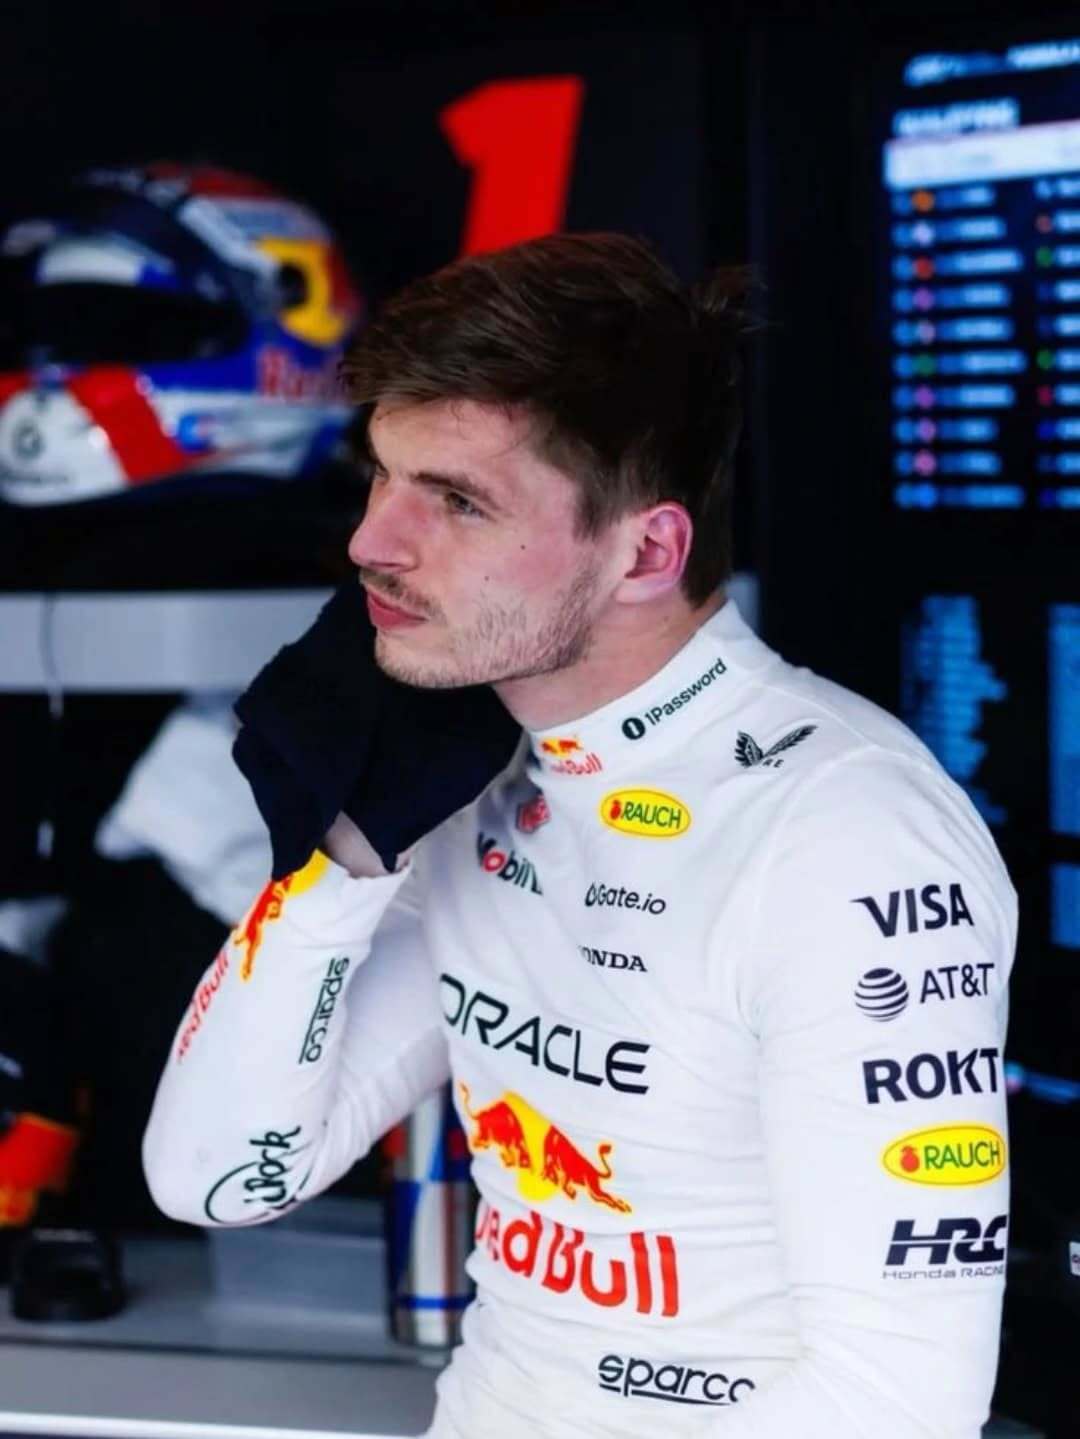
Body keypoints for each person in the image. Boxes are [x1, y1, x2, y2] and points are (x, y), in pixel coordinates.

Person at [143, 234, 1017, 1439]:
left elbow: (899, 1401)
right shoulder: (463, 774)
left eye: (455, 500)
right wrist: (340, 858)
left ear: (647, 550)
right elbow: (219, 1178)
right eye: (382, 476)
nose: (370, 544)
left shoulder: (848, 829)